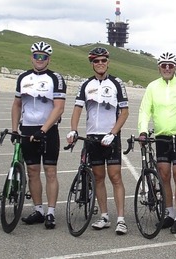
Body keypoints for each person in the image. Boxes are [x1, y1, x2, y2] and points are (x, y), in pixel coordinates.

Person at [67, 47, 129, 235]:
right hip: (93, 137)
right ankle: (104, 216)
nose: (100, 63)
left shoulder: (117, 83)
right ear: (92, 64)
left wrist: (113, 133)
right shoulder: (85, 84)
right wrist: (73, 129)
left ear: (108, 62)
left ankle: (121, 219)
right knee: (99, 178)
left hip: (111, 137)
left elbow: (125, 112)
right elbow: (77, 109)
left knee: (115, 176)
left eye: (103, 60)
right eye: (96, 61)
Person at [138, 52, 176, 234]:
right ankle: (169, 213)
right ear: (159, 67)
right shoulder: (152, 87)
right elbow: (144, 110)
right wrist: (142, 130)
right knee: (164, 175)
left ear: (175, 68)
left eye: (170, 65)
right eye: (163, 65)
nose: (167, 68)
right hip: (162, 136)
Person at [12, 41, 67, 229]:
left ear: (49, 59)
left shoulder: (56, 78)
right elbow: (17, 105)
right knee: (32, 172)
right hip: (27, 129)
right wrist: (14, 129)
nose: (40, 59)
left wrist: (43, 129)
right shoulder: (23, 77)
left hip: (48, 130)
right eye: (37, 56)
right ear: (32, 57)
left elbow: (59, 107)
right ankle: (38, 210)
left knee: (50, 172)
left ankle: (51, 212)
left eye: (43, 56)